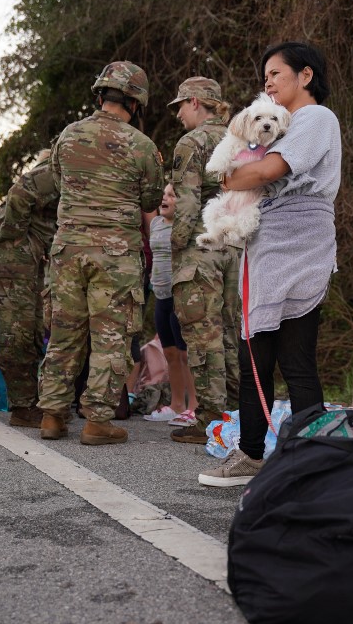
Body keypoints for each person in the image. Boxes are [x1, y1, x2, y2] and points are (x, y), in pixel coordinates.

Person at [199, 41, 341, 487]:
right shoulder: (284, 123)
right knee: (256, 357)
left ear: (305, 76)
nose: (269, 83)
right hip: (268, 239)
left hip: (297, 241)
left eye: (276, 74)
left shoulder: (315, 118)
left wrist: (227, 175)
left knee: (293, 358)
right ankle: (254, 454)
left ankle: (308, 458)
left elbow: (262, 172)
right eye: (266, 78)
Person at [36, 61, 163, 446]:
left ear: (100, 94)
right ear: (136, 102)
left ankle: (53, 417)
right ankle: (97, 421)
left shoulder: (69, 136)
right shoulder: (142, 146)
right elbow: (152, 198)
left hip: (68, 250)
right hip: (116, 254)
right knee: (110, 338)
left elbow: (58, 182)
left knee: (64, 334)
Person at [163, 77, 240, 441]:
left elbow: (189, 200)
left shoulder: (191, 142)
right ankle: (239, 414)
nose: (178, 113)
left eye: (180, 105)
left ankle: (210, 420)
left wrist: (178, 244)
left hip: (202, 247)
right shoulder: (241, 138)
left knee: (203, 334)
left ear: (195, 102)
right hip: (237, 245)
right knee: (231, 331)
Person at [0, 149, 58, 428]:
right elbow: (20, 193)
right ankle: (22, 406)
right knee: (18, 329)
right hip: (10, 252)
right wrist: (16, 238)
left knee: (33, 327)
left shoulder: (63, 170)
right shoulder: (55, 169)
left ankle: (28, 401)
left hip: (24, 252)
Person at [143, 183, 199, 422]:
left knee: (186, 354)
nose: (164, 198)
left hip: (180, 295)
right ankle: (176, 405)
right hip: (160, 294)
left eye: (171, 195)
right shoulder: (155, 223)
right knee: (170, 353)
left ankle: (195, 407)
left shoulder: (186, 227)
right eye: (163, 194)